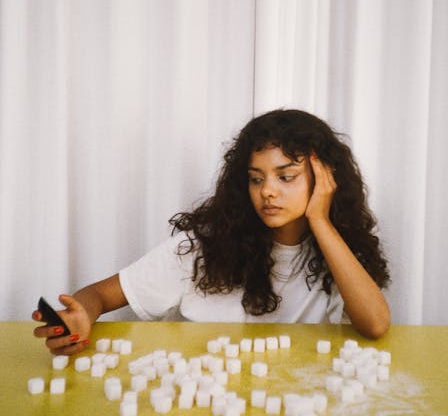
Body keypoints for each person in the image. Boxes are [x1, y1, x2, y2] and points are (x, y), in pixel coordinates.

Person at [33, 109, 391, 354]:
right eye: (255, 179)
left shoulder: (336, 254)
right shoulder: (203, 248)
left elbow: (376, 324)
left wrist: (321, 220)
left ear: (324, 180)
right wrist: (81, 312)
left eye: (286, 177)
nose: (267, 191)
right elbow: (101, 294)